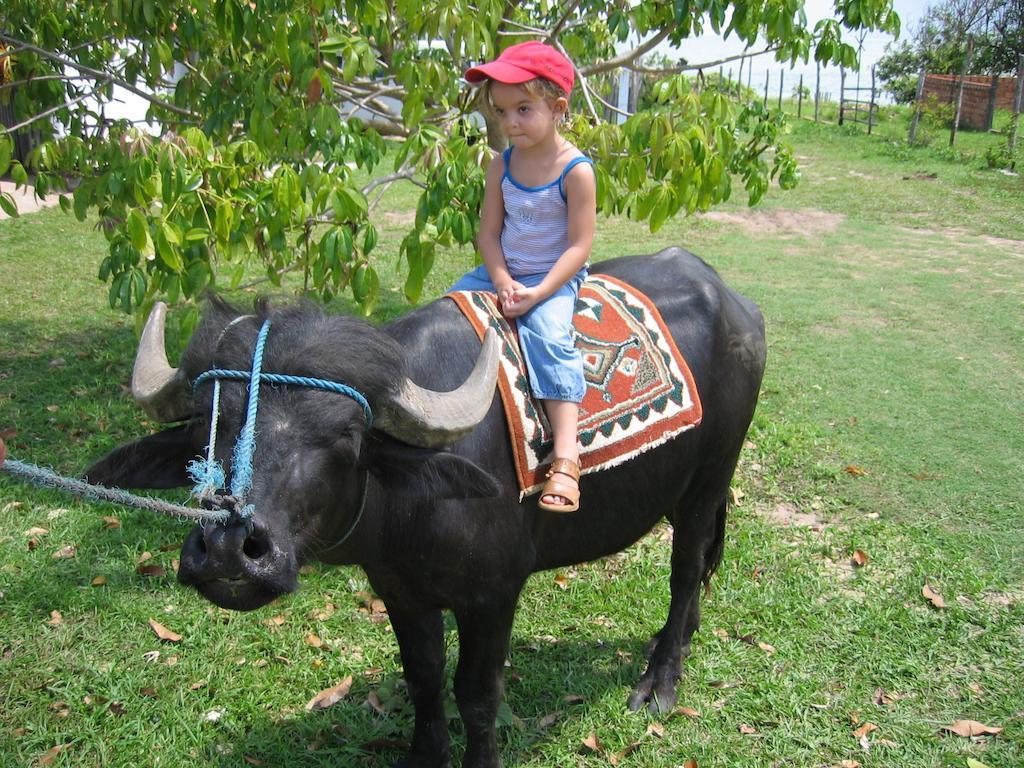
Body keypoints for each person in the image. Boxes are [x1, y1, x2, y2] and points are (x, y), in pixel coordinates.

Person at [452, 41, 596, 513]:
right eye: (501, 111)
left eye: (523, 109)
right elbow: (489, 235)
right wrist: (499, 279)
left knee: (549, 336)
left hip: (552, 277)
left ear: (557, 108)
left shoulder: (575, 171)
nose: (510, 123)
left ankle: (566, 456)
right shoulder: (502, 165)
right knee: (446, 313)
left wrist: (537, 292)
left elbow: (579, 246)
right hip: (504, 272)